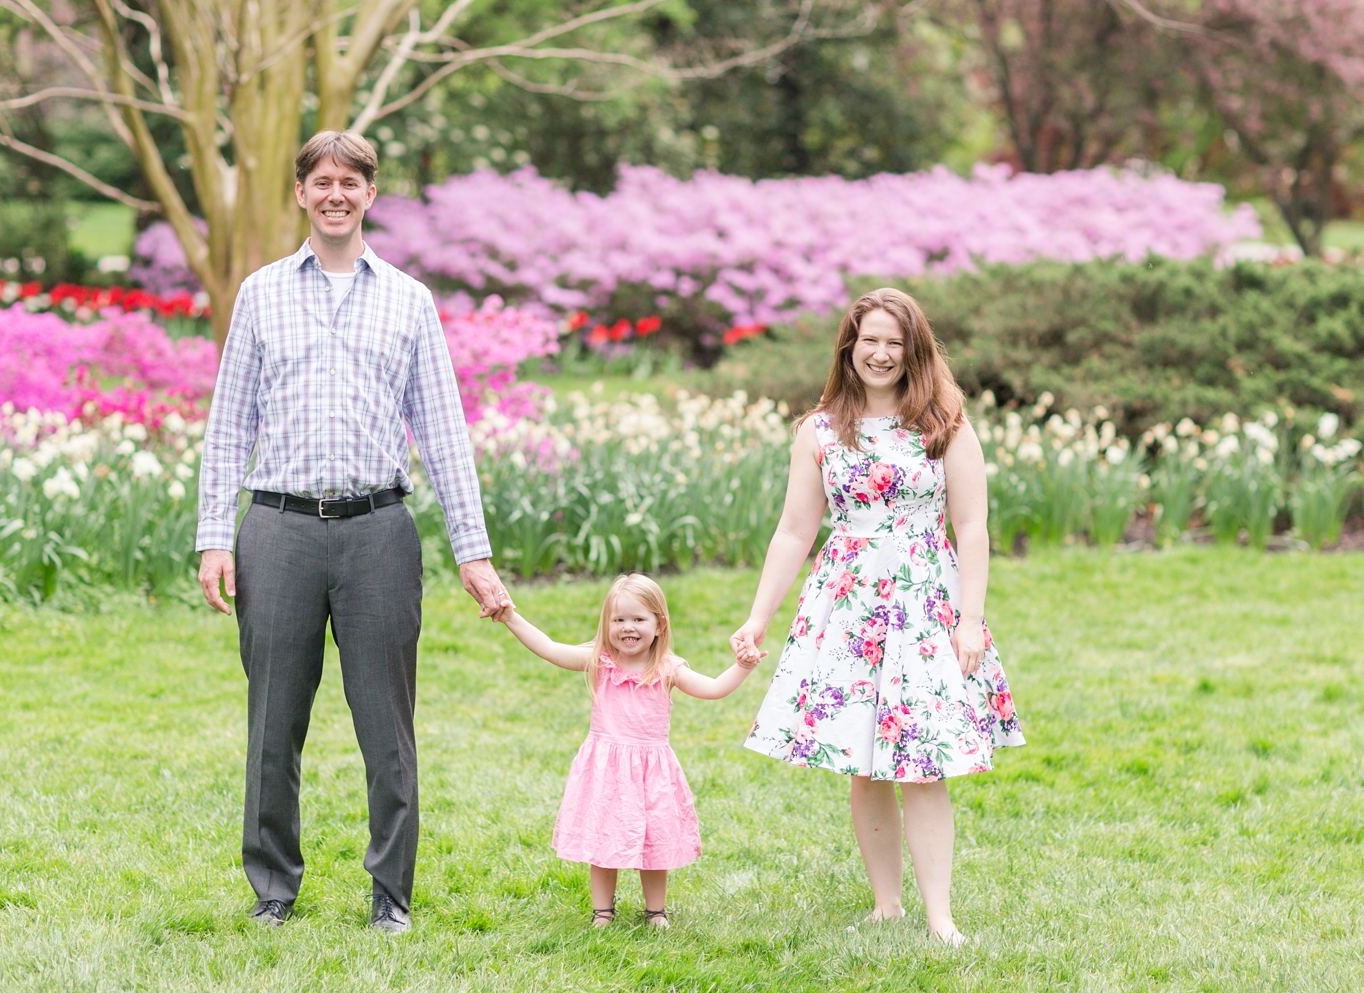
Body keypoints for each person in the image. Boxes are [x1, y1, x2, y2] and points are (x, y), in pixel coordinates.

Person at [195, 130, 515, 934]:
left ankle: (390, 894)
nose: (336, 194)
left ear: (371, 195)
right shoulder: (262, 294)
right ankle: (274, 888)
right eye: (321, 182)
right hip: (278, 530)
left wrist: (472, 552)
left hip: (379, 532)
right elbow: (229, 424)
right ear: (300, 193)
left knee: (387, 724)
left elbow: (443, 432)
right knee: (273, 721)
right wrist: (214, 535)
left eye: (351, 182)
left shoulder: (409, 300)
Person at [729, 288, 1024, 945]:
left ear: (913, 349)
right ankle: (886, 905)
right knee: (864, 759)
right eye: (870, 341)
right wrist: (758, 617)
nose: (882, 354)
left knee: (922, 760)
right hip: (849, 608)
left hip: (924, 605)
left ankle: (940, 917)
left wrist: (969, 619)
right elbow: (792, 531)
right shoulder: (821, 430)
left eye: (895, 342)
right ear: (850, 348)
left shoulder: (945, 422)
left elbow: (972, 527)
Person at [501, 574, 760, 927]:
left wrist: (742, 667)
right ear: (606, 624)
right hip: (606, 769)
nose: (628, 627)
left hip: (650, 771)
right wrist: (510, 617)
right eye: (619, 619)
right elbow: (550, 648)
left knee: (655, 845)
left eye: (638, 619)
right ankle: (602, 913)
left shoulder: (668, 668)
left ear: (659, 624)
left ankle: (656, 912)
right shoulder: (600, 662)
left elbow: (713, 689)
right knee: (603, 841)